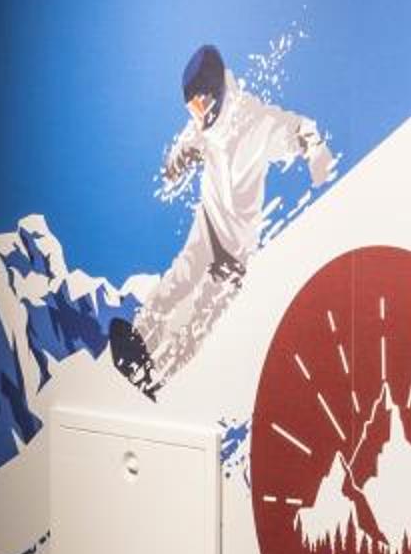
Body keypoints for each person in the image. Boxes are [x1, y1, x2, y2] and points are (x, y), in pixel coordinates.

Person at [110, 43, 334, 393]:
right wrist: (176, 163)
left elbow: (298, 129)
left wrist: (317, 154)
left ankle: (162, 372)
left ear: (214, 92)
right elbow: (183, 147)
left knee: (203, 313)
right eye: (191, 108)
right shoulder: (202, 128)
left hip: (235, 248)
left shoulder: (257, 124)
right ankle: (141, 339)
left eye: (199, 104)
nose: (197, 114)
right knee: (180, 278)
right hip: (208, 223)